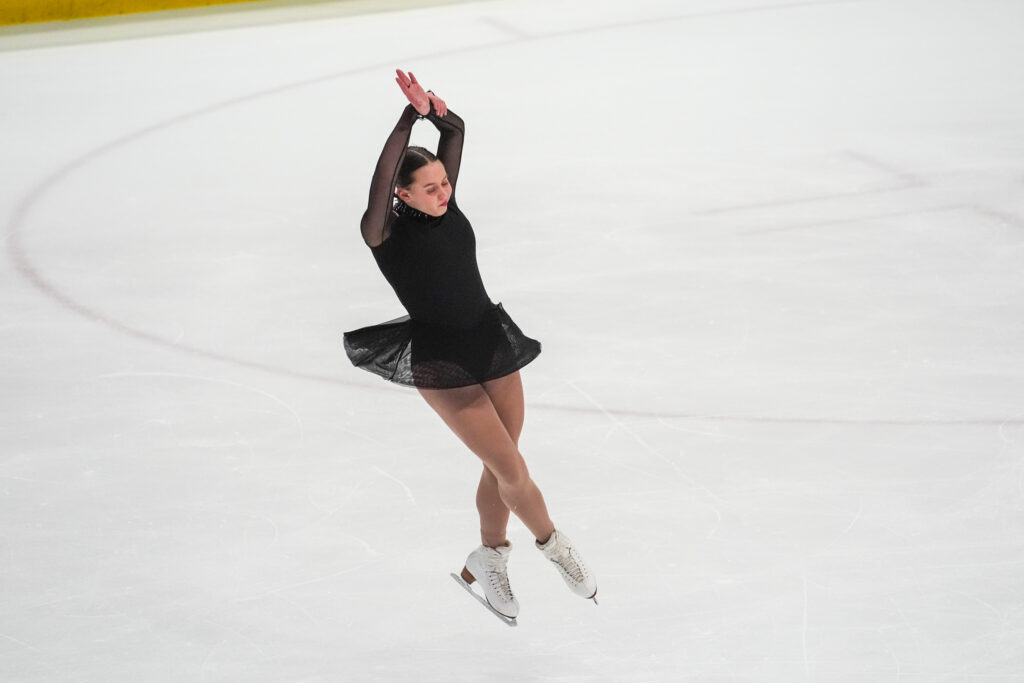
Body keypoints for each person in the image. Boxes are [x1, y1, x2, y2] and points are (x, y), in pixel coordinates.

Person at [343, 69, 596, 620]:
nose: (444, 192)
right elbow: (382, 174)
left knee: (500, 464)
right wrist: (407, 118)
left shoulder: (448, 208)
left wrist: (434, 109)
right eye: (430, 188)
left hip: (490, 341)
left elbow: (455, 133)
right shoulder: (382, 234)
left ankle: (489, 557)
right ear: (402, 194)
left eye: (445, 183)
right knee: (510, 468)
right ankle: (555, 547)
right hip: (443, 364)